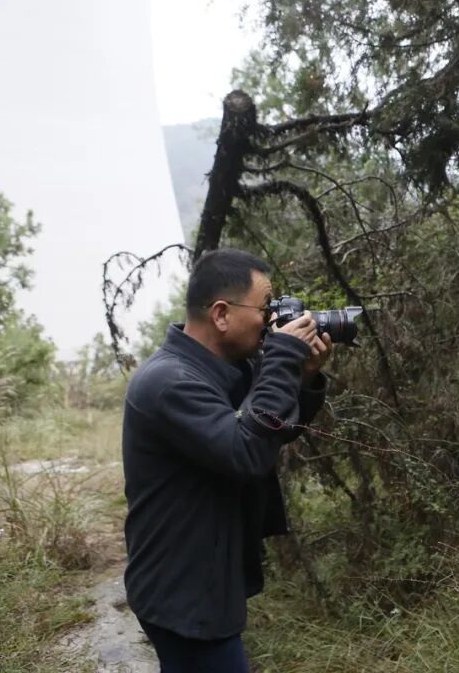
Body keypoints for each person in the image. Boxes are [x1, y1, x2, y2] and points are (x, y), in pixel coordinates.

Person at [121, 248, 333, 672]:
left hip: (200, 576)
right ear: (221, 314)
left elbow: (270, 429)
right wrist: (284, 355)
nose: (273, 320)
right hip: (183, 590)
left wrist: (303, 376)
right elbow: (246, 451)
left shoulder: (218, 370)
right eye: (266, 307)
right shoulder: (169, 382)